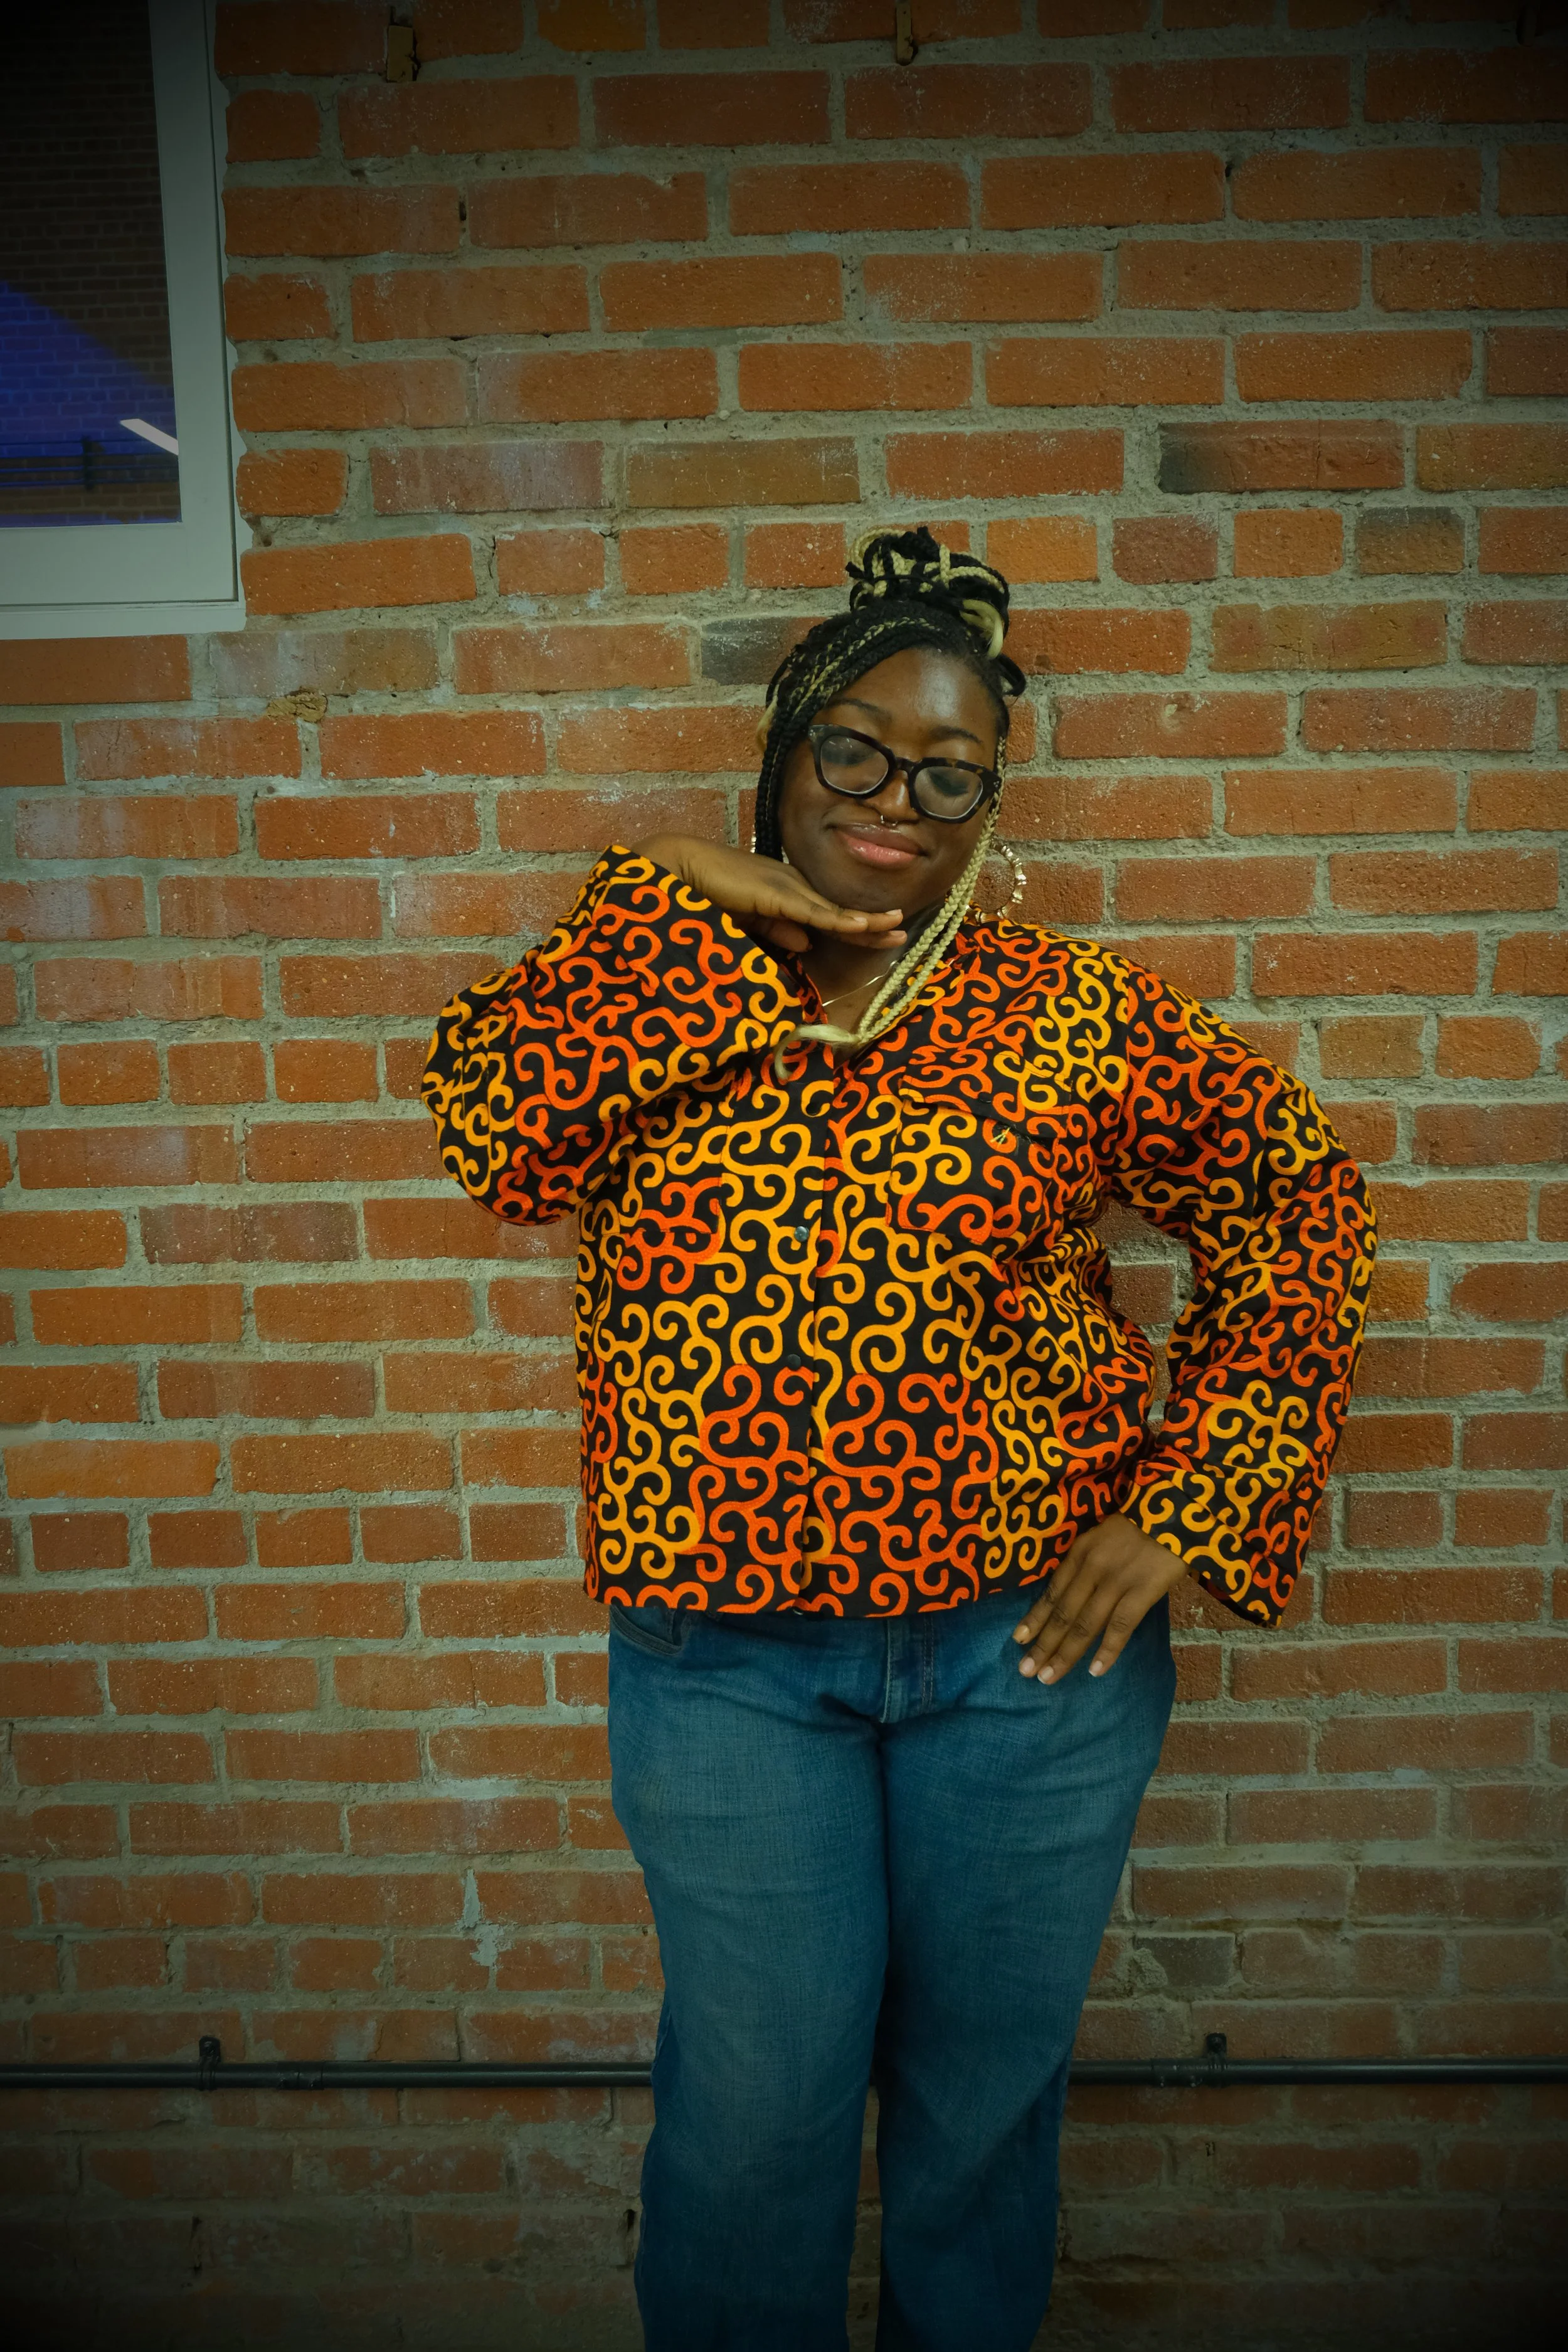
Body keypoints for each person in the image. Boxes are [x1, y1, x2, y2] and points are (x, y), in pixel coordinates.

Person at [423, 527, 1377, 2351]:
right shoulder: (666, 976)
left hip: (1028, 1670)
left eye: (952, 772)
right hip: (724, 1670)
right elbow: (496, 1138)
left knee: (974, 2124)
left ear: (990, 802)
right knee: (754, 2120)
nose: (896, 798)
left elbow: (1297, 1201)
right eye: (856, 749)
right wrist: (670, 904)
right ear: (784, 750)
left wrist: (1198, 1496)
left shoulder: (1068, 1014)